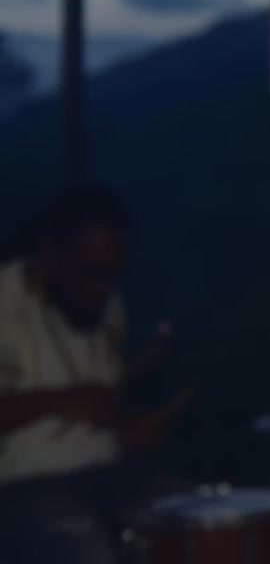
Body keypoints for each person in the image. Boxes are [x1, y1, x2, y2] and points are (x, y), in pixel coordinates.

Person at [0, 182, 185, 563]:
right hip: (21, 486)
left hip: (110, 474)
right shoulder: (6, 300)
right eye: (91, 273)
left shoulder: (108, 303)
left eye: (112, 273)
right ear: (50, 255)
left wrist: (127, 432)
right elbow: (77, 404)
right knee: (87, 552)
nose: (102, 288)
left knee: (202, 520)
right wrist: (61, 402)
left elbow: (99, 410)